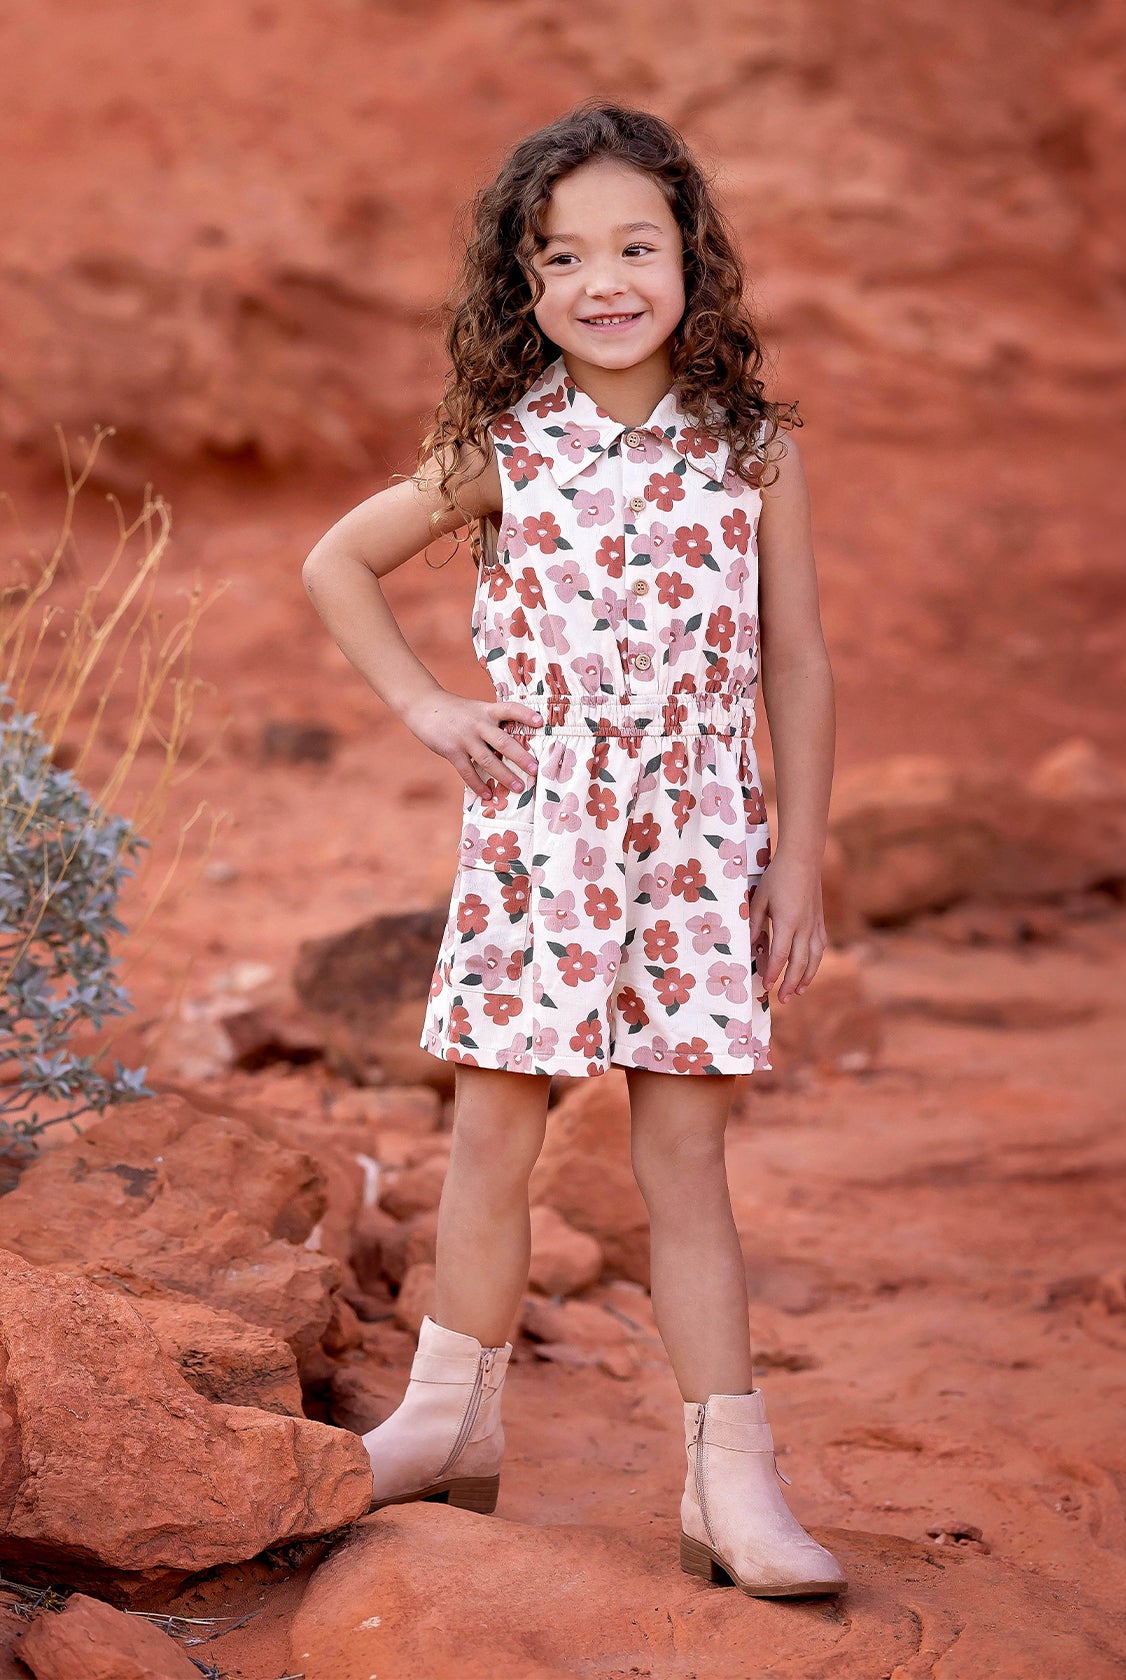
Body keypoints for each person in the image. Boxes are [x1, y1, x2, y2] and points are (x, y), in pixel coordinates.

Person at [302, 99, 843, 1599]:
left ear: (690, 260)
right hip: (541, 834)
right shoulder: (503, 451)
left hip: (696, 839)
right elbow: (335, 560)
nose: (605, 281)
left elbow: (796, 663)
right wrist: (423, 703)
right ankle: (441, 1426)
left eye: (636, 245)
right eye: (563, 258)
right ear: (524, 287)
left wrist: (798, 859)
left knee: (684, 1158)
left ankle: (730, 1482)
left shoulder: (752, 452)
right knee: (494, 1133)